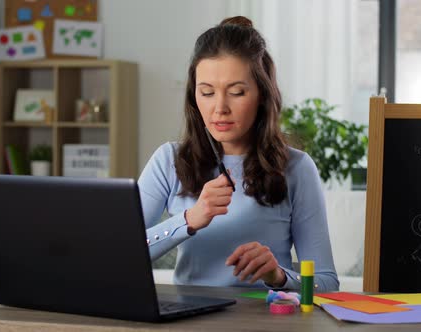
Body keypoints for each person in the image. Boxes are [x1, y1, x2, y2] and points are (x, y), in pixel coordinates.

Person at [138, 16, 339, 291]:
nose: (220, 108)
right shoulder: (168, 161)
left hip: (267, 320)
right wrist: (187, 220)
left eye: (236, 92)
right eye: (207, 92)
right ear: (194, 98)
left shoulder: (297, 168)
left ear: (263, 95)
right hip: (189, 320)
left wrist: (278, 276)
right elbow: (119, 252)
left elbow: (326, 285)